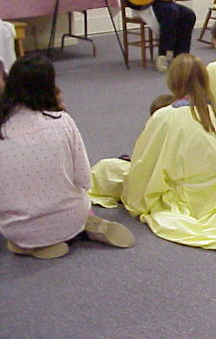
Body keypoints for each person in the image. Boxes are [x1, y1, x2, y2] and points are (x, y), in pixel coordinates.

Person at [89, 54, 216, 254]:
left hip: (178, 197)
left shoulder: (165, 116)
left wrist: (135, 196)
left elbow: (145, 166)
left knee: (106, 169)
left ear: (173, 81)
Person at [0, 54, 134, 259]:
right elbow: (84, 180)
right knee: (76, 195)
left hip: (17, 228)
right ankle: (82, 223)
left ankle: (31, 245)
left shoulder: (3, 129)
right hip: (70, 218)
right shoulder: (62, 122)